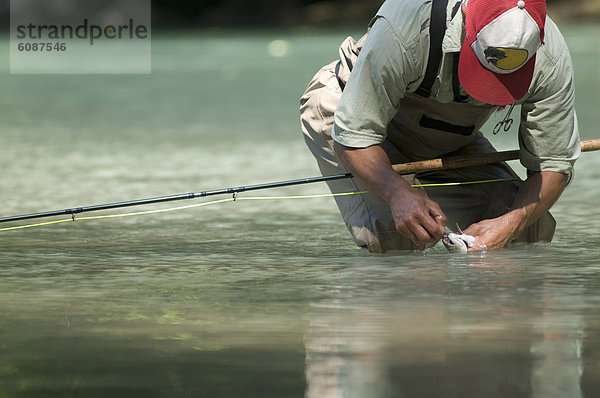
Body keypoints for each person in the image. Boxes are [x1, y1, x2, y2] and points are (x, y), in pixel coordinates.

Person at [300, 0, 580, 253]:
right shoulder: (405, 26)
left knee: (528, 230)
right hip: (349, 115)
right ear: (467, 24)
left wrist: (513, 223)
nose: (489, 92)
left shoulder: (550, 58)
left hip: (448, 138)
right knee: (400, 235)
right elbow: (354, 135)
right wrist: (397, 194)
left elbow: (553, 165)